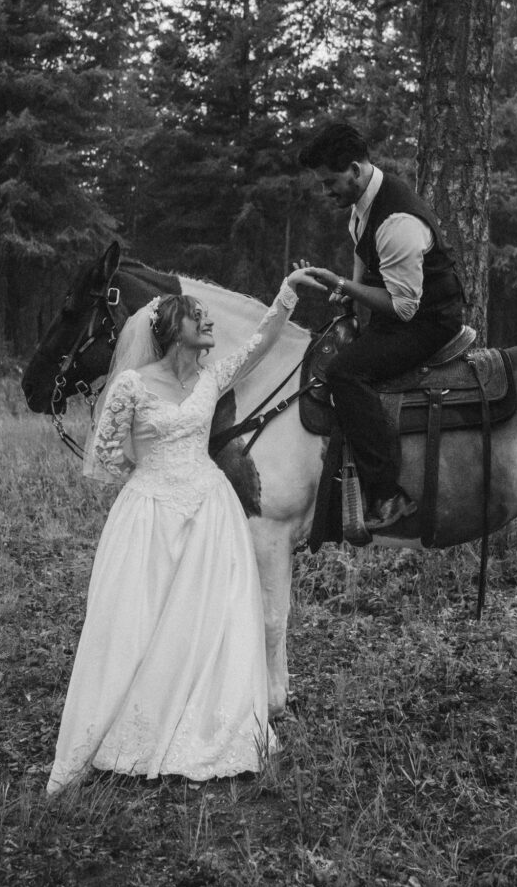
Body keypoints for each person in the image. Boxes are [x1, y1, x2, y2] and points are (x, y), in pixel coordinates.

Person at [46, 266, 324, 794]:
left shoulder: (212, 379)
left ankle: (202, 718)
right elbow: (107, 455)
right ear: (176, 331)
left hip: (210, 512)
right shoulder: (130, 385)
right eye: (200, 318)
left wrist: (285, 296)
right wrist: (153, 473)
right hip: (151, 511)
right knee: (142, 615)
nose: (209, 323)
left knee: (206, 617)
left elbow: (261, 345)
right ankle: (136, 722)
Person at [299, 123, 465, 530]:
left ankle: (389, 494)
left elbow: (405, 308)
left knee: (345, 372)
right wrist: (349, 295)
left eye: (330, 182)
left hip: (429, 321)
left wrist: (340, 284)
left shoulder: (397, 223)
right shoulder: (363, 204)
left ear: (355, 169)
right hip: (398, 312)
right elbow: (363, 258)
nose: (325, 192)